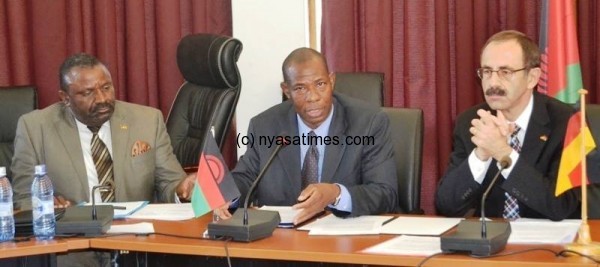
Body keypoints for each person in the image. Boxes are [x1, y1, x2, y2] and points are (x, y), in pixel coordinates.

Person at [11, 53, 195, 266]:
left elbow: (170, 182)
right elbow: (23, 198)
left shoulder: (147, 120)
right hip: (73, 247)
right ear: (65, 98)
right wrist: (45, 204)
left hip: (136, 243)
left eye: (106, 88)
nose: (102, 99)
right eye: (87, 92)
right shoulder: (34, 128)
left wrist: (182, 188)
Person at [218, 47, 398, 224]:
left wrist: (335, 194)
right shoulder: (265, 126)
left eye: (320, 84)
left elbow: (384, 192)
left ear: (332, 81)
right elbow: (246, 177)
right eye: (300, 89)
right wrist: (223, 193)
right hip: (281, 241)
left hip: (342, 239)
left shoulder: (368, 123)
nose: (312, 97)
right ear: (287, 91)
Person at [435, 30, 578, 221]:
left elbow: (562, 206)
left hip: (550, 244)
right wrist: (481, 155)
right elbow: (446, 205)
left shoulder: (567, 123)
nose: (493, 82)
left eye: (505, 72)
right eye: (487, 71)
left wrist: (503, 152)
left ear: (532, 78)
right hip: (490, 243)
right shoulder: (471, 122)